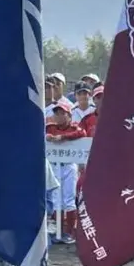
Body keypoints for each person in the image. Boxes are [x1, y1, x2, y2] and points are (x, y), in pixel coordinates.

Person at [45, 98, 86, 244]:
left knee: (69, 199)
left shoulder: (74, 127)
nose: (59, 116)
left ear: (69, 115)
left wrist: (63, 137)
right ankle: (58, 230)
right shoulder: (50, 127)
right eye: (57, 113)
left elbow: (81, 133)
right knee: (56, 199)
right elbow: (41, 134)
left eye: (62, 113)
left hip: (69, 166)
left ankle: (69, 232)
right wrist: (48, 137)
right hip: (54, 166)